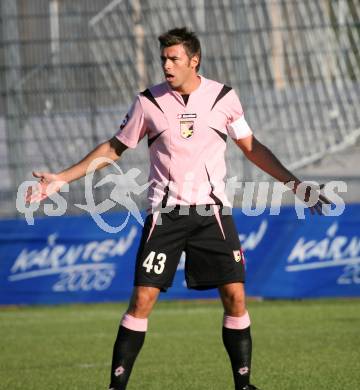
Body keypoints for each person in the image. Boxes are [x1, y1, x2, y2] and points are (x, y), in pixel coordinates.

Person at [27, 27, 329, 390]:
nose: (167, 66)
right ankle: (116, 386)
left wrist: (296, 185)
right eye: (163, 60)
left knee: (235, 296)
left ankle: (244, 384)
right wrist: (62, 178)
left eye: (174, 59)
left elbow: (252, 147)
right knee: (142, 299)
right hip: (166, 215)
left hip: (212, 213)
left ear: (194, 61)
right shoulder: (147, 102)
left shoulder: (224, 98)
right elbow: (113, 149)